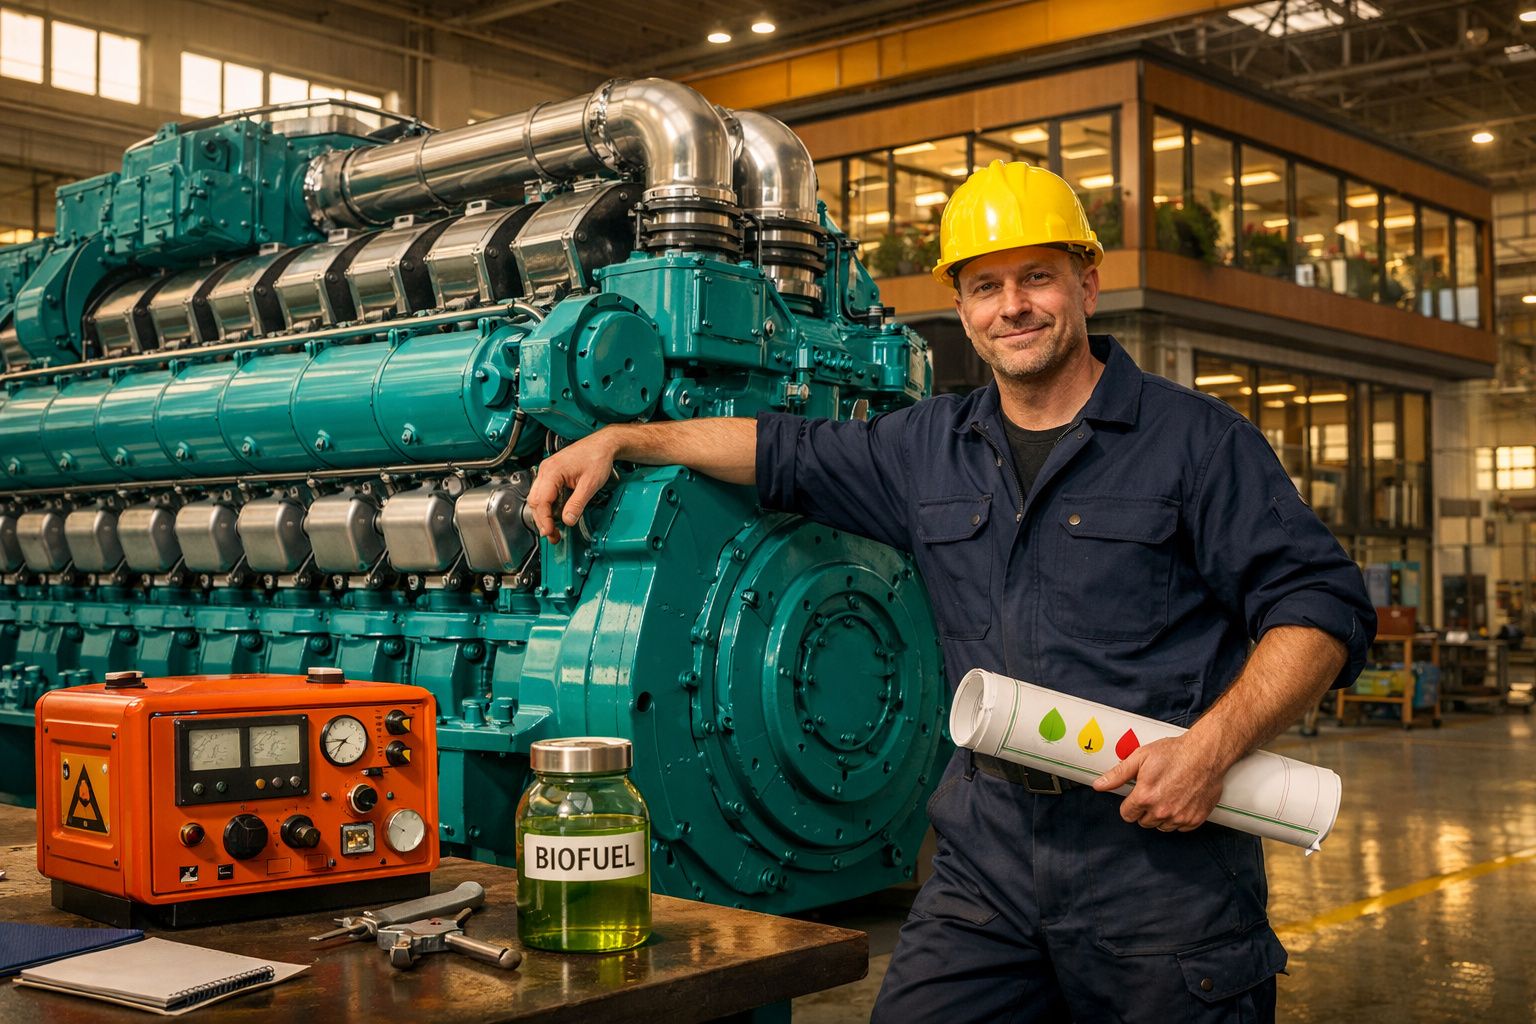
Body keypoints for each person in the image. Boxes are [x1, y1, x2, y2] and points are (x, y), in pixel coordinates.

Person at [527, 160, 1376, 1022]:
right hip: (986, 859)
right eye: (985, 286)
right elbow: (778, 447)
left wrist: (1213, 747)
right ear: (963, 311)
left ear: (1087, 282)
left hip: (1161, 870)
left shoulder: (1197, 443)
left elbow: (1320, 609)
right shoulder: (924, 448)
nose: (1012, 306)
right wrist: (629, 438)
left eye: (1037, 277)